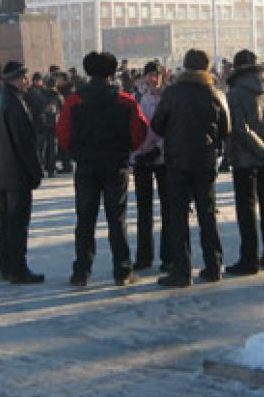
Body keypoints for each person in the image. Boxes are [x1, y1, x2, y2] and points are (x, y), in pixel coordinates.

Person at [57, 51, 148, 287]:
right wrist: (126, 149)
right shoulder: (125, 100)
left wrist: (76, 152)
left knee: (85, 220)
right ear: (113, 72)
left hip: (86, 165)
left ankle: (81, 271)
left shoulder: (75, 100)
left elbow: (63, 133)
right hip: (115, 165)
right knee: (116, 219)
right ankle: (122, 270)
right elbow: (140, 131)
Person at [151, 49, 230, 287]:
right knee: (207, 213)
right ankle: (214, 265)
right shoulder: (215, 93)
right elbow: (226, 128)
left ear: (185, 67)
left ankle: (182, 270)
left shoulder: (172, 93)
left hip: (177, 160)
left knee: (178, 216)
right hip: (205, 160)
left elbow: (157, 124)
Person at [224, 49, 264, 276]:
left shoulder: (235, 93)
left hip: (245, 159)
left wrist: (260, 150)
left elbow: (240, 129)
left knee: (247, 209)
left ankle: (249, 259)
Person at [0, 61, 45, 283]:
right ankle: (18, 269)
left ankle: (7, 267)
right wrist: (35, 171)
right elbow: (24, 142)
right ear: (15, 79)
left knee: (6, 223)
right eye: (23, 77)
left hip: (2, 171)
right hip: (16, 173)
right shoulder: (14, 104)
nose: (27, 81)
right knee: (17, 224)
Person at [131, 61, 170, 272]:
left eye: (155, 75)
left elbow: (171, 126)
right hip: (142, 158)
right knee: (143, 210)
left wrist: (159, 149)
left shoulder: (169, 98)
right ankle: (144, 255)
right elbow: (134, 127)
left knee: (168, 209)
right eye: (149, 75)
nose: (152, 79)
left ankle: (168, 255)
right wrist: (137, 153)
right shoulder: (137, 97)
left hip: (163, 158)